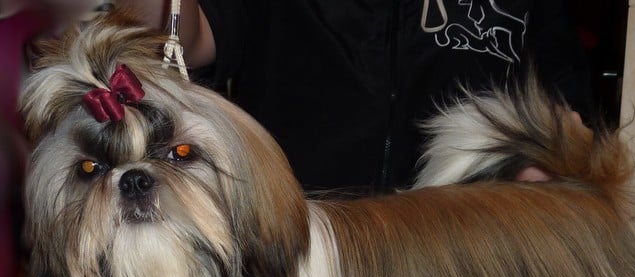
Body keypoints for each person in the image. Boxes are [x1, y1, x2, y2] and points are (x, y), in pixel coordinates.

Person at [117, 0, 594, 194]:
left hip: (461, 266)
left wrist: (547, 169)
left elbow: (565, 112)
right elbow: (178, 39)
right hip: (302, 253)